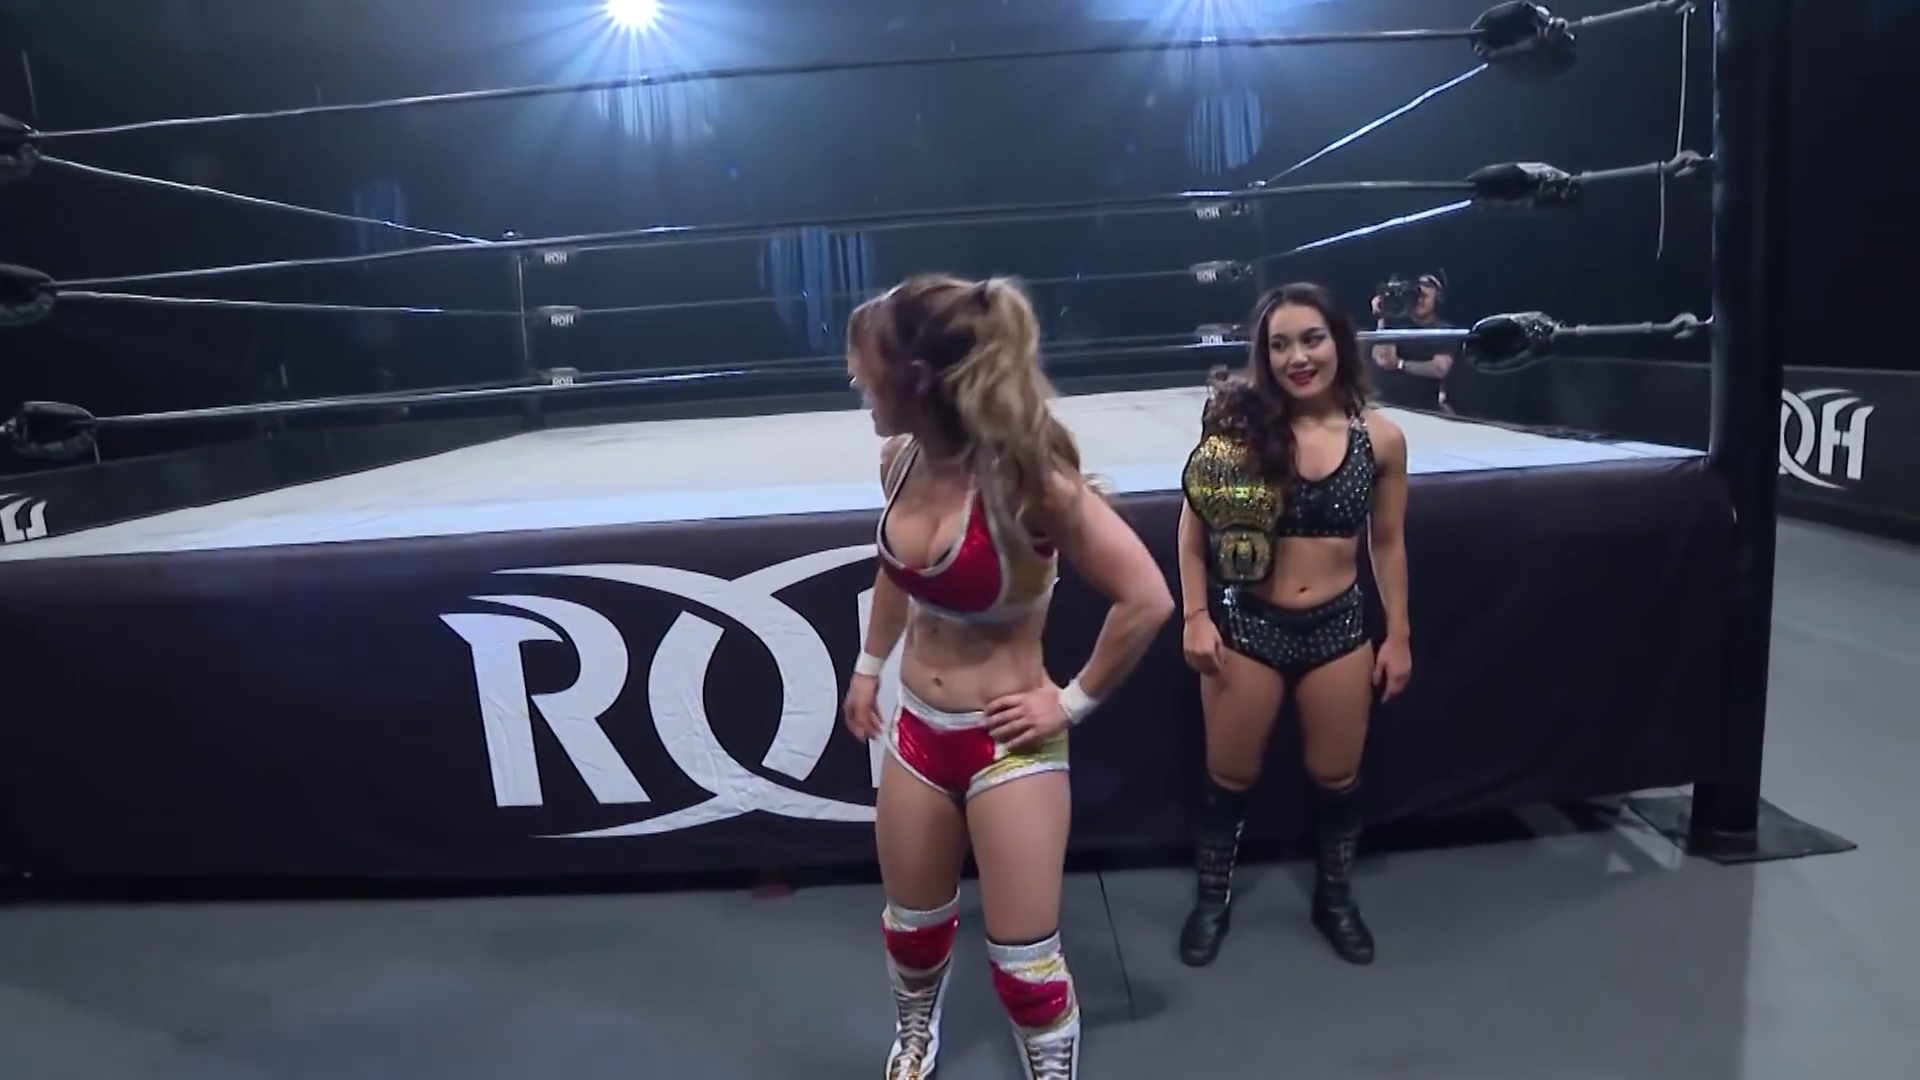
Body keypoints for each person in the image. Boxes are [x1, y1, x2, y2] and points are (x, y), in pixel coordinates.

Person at [840, 273, 1174, 1079]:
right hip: (918, 730)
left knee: (1026, 969)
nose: (857, 387)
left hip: (1007, 746)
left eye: (868, 373)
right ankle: (915, 1034)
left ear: (920, 378)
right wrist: (869, 666)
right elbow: (898, 572)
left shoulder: (1029, 487)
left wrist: (1072, 701)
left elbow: (1148, 598)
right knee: (912, 929)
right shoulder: (899, 461)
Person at [1175, 282, 1413, 968]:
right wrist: (1195, 615)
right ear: (1264, 354)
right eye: (1280, 345)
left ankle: (1335, 897)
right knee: (1228, 775)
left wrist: (1400, 634)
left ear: (1339, 340)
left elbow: (1389, 542)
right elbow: (1192, 533)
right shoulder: (1239, 431)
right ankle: (1212, 897)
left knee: (1337, 775)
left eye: (1311, 339)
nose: (1297, 357)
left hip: (1338, 628)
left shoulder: (1381, 439)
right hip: (1249, 624)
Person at [1369, 274, 1455, 413]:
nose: (1419, 301)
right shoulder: (1397, 323)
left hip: (1423, 407)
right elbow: (1383, 359)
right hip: (1387, 404)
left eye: (1424, 296)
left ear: (1437, 298)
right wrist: (1382, 317)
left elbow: (1440, 368)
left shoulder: (1443, 330)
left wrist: (1400, 364)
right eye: (1416, 296)